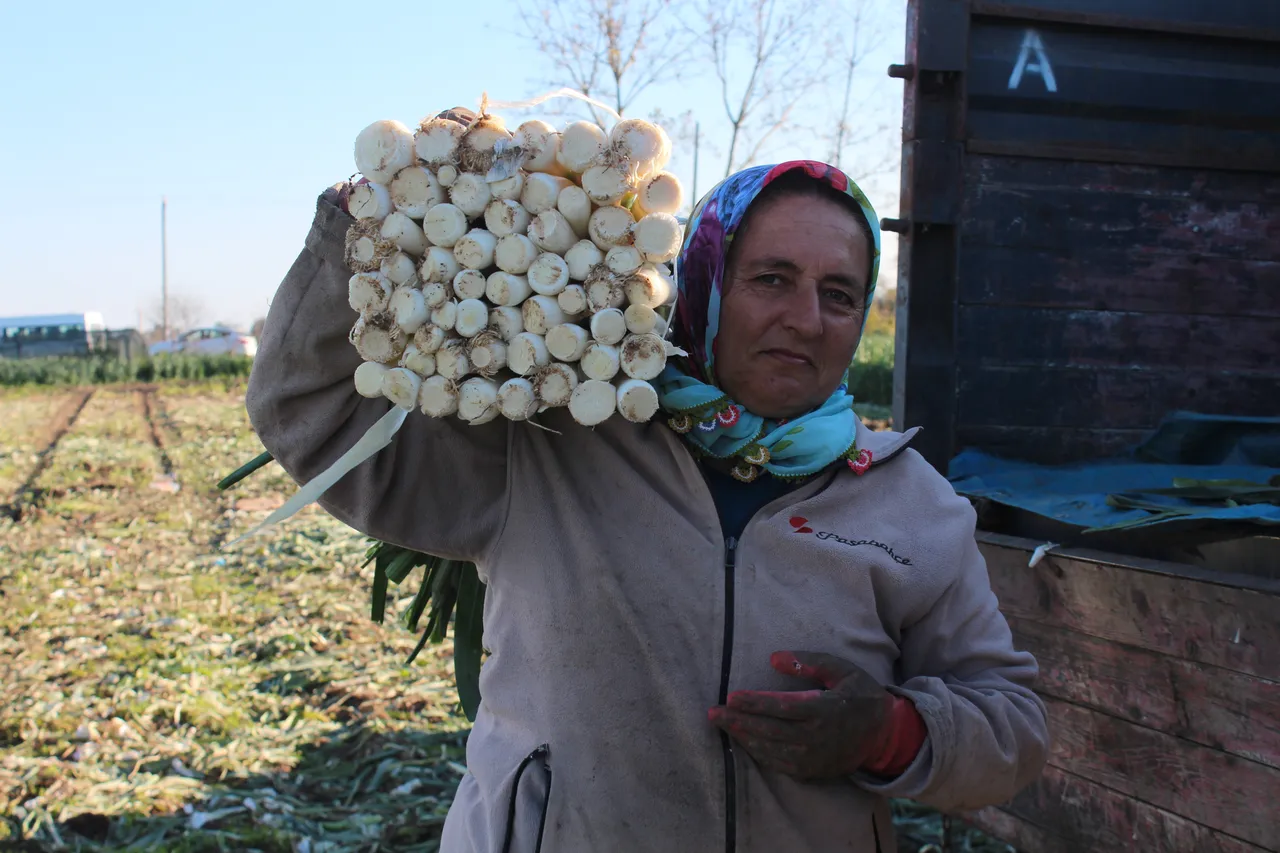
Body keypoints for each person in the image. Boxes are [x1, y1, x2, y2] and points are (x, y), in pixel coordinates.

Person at [246, 153, 1049, 853]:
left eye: (839, 294)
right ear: (701, 281)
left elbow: (1011, 724)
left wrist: (888, 732)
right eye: (771, 279)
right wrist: (361, 225)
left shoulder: (911, 504)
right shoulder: (556, 443)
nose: (805, 320)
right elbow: (308, 407)